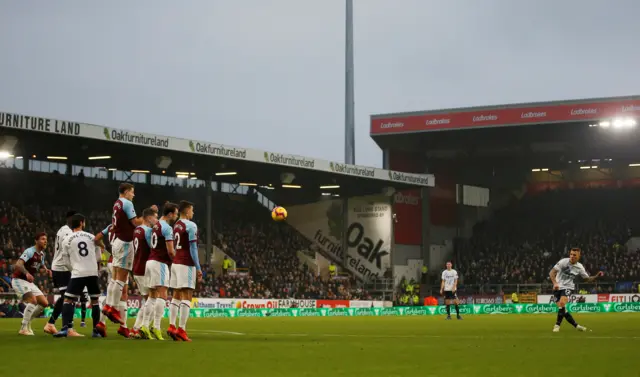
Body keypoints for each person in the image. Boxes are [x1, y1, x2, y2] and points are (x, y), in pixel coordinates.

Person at [54, 213, 103, 338]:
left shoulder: (67, 239)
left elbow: (65, 260)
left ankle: (65, 328)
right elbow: (98, 256)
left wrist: (73, 268)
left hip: (77, 273)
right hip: (92, 272)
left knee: (68, 299)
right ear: (82, 223)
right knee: (95, 301)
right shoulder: (92, 237)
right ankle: (95, 331)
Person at [102, 183, 143, 325]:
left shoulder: (117, 203)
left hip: (117, 242)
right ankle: (111, 307)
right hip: (125, 243)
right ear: (126, 192)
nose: (133, 195)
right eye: (132, 192)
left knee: (114, 279)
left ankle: (109, 306)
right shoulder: (126, 203)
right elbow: (135, 223)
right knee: (121, 278)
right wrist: (147, 217)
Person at [168, 201, 203, 342]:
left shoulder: (176, 225)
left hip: (175, 263)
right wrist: (198, 268)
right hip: (186, 263)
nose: (193, 213)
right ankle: (181, 329)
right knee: (187, 295)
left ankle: (171, 326)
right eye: (192, 210)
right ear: (187, 211)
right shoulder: (191, 225)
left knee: (176, 295)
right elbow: (193, 249)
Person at [143, 202, 179, 340]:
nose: (176, 216)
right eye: (175, 214)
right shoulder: (167, 228)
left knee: (152, 296)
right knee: (163, 295)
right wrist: (177, 261)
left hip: (150, 262)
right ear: (170, 214)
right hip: (160, 263)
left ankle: (145, 325)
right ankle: (156, 327)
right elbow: (170, 251)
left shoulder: (156, 225)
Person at [550, 248, 604, 333]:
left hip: (568, 287)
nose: (572, 256)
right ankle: (577, 326)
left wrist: (597, 276)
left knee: (562, 303)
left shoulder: (579, 267)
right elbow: (552, 272)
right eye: (571, 254)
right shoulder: (563, 262)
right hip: (557, 287)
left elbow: (587, 279)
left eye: (574, 255)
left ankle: (557, 325)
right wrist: (555, 283)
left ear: (579, 256)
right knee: (563, 309)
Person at [11, 232, 51, 335]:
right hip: (19, 280)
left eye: (46, 239)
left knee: (44, 303)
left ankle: (27, 323)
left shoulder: (42, 254)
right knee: (33, 301)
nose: (45, 241)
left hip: (29, 282)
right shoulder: (29, 251)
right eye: (42, 239)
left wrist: (46, 270)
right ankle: (23, 328)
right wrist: (27, 273)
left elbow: (41, 266)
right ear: (36, 241)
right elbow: (18, 264)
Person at [45, 210, 77, 335]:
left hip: (60, 267)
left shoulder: (62, 230)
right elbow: (67, 250)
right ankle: (68, 328)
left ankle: (51, 323)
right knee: (69, 297)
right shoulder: (68, 232)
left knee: (67, 297)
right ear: (70, 219)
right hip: (62, 268)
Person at [131, 207, 158, 339]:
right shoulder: (147, 231)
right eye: (155, 217)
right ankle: (138, 328)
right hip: (144, 268)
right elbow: (153, 248)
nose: (156, 220)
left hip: (136, 268)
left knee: (147, 300)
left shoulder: (137, 230)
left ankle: (137, 328)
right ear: (148, 218)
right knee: (152, 300)